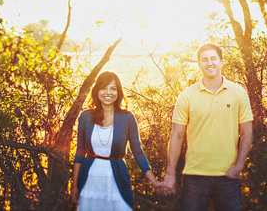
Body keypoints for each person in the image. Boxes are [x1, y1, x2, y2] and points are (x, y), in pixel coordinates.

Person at [163, 43, 254, 211]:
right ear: (199, 64)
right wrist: (170, 174)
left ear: (221, 62)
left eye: (213, 58)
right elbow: (176, 135)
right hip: (195, 175)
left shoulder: (238, 93)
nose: (209, 63)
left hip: (228, 175)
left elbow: (247, 132)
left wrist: (239, 166)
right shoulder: (186, 96)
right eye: (204, 60)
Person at [71, 71, 162, 210]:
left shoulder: (127, 118)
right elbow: (79, 154)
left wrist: (153, 181)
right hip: (89, 180)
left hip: (117, 177)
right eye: (104, 88)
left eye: (113, 88)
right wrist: (74, 186)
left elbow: (138, 152)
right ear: (97, 90)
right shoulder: (85, 117)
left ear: (118, 92)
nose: (108, 92)